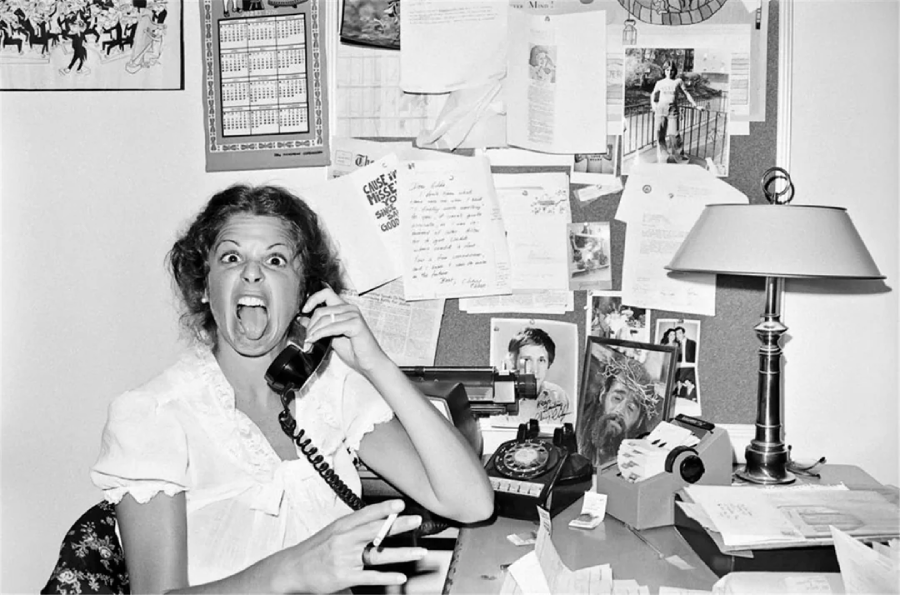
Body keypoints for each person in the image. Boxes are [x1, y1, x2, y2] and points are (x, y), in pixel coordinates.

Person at [90, 184, 494, 593]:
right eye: (231, 257)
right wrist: (292, 571)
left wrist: (377, 365)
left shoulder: (328, 388)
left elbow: (472, 503)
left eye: (275, 260)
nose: (252, 272)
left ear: (305, 294)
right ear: (203, 287)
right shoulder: (154, 415)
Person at [576, 349, 658, 468]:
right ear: (603, 395)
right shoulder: (578, 427)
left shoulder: (641, 461)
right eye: (617, 398)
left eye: (631, 407)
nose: (620, 410)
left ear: (639, 421)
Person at [506, 327, 571, 423]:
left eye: (541, 360)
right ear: (514, 363)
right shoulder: (502, 400)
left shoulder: (559, 396)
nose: (535, 370)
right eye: (527, 360)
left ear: (548, 363)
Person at [650, 61, 703, 163]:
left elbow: (687, 94)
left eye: (671, 70)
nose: (669, 72)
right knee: (660, 134)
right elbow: (653, 94)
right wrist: (653, 104)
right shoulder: (659, 83)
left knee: (674, 135)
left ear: (674, 71)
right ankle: (663, 156)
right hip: (660, 110)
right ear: (664, 71)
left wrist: (696, 106)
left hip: (672, 110)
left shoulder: (678, 81)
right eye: (667, 70)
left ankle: (679, 157)